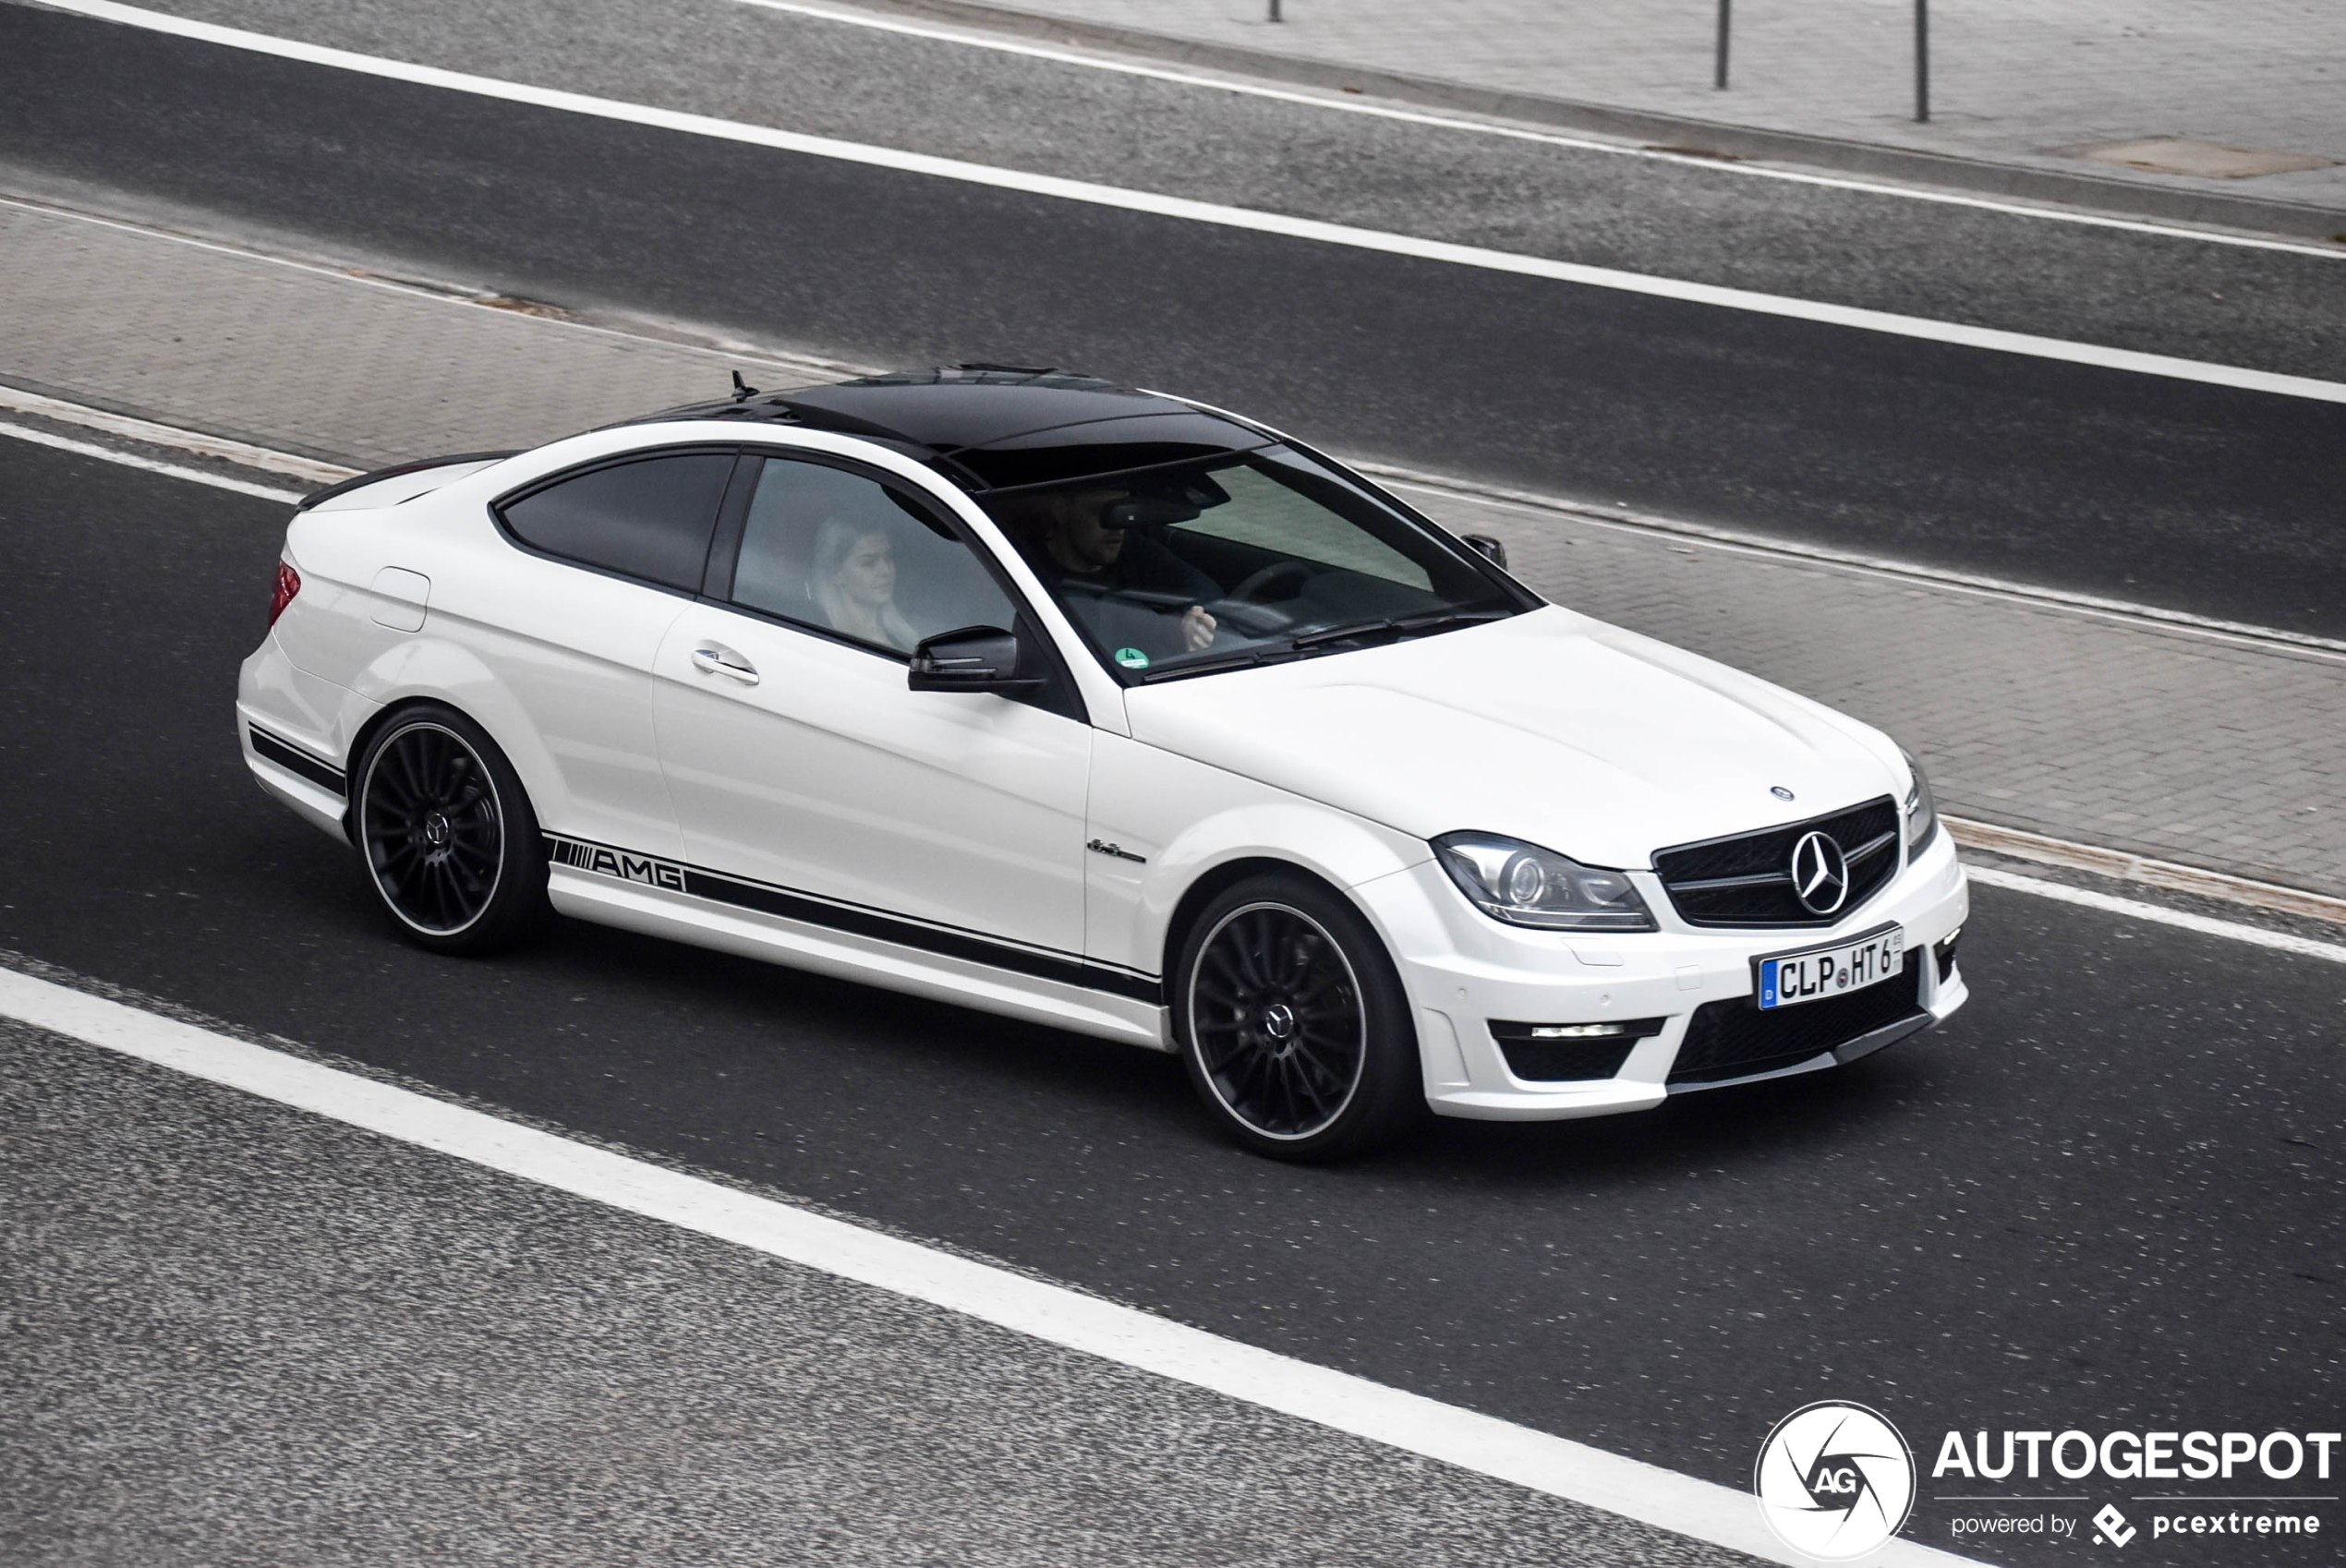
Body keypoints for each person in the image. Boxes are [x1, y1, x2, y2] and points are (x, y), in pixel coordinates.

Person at [1029, 484, 1220, 657]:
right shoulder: (1025, 573)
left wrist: (1193, 620)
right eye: (1104, 513)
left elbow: (1205, 592)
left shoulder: (1135, 552)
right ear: (1062, 510)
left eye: (1123, 512)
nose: (1118, 525)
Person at [809, 515, 917, 651]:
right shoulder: (819, 638)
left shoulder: (910, 633)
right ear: (836, 573)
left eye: (888, 558)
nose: (885, 570)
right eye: (869, 563)